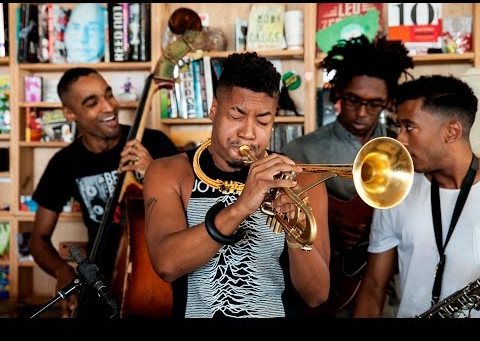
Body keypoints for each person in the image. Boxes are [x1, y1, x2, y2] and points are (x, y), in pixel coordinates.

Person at [143, 52, 331, 318]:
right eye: (236, 115)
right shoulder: (169, 173)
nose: (248, 132)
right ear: (214, 109)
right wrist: (242, 206)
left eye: (263, 120)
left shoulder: (303, 181)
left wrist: (294, 229)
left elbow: (317, 295)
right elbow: (166, 264)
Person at [29, 67, 178, 318]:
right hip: (99, 284)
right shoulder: (64, 163)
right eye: (92, 103)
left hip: (156, 280)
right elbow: (38, 240)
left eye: (108, 95)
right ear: (70, 113)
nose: (109, 107)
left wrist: (152, 171)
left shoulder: (154, 143)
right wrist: (62, 271)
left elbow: (195, 208)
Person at [282, 34, 413, 317]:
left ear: (388, 102)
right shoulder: (301, 150)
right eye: (353, 100)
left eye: (374, 103)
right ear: (338, 91)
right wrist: (322, 223)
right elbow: (272, 223)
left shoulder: (403, 152)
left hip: (385, 289)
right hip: (326, 287)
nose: (362, 113)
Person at [353, 75, 480, 318]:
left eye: (409, 127)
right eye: (398, 127)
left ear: (451, 132)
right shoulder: (393, 189)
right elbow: (373, 288)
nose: (399, 139)